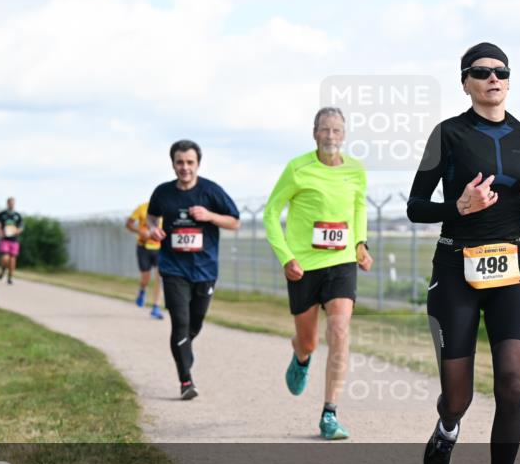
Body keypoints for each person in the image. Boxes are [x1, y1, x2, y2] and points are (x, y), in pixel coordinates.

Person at [407, 43, 520, 464]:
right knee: (460, 396)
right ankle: (448, 426)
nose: (493, 78)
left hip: (509, 270)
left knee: (513, 383)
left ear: (509, 81)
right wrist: (459, 206)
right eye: (481, 72)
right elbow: (415, 206)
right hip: (456, 269)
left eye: (501, 71)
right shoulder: (447, 134)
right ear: (465, 82)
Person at [263, 107, 372, 440]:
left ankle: (329, 413)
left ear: (344, 135)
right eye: (325, 129)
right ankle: (301, 355)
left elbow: (359, 207)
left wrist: (360, 243)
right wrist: (286, 257)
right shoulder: (297, 169)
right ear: (314, 134)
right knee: (309, 341)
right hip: (304, 266)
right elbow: (271, 213)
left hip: (341, 262)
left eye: (337, 130)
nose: (330, 136)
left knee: (339, 329)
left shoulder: (356, 170)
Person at [146, 140, 240, 400]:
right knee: (180, 323)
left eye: (190, 162)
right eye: (180, 162)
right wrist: (153, 229)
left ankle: (183, 350)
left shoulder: (211, 191)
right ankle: (185, 380)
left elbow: (235, 222)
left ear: (198, 164)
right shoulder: (162, 192)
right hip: (173, 268)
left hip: (205, 270)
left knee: (194, 325)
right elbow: (152, 216)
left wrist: (210, 216)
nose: (185, 167)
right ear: (173, 164)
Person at [125, 201, 165, 320]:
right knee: (145, 278)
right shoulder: (142, 208)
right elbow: (129, 224)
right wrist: (140, 231)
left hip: (160, 248)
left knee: (160, 277)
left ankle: (156, 307)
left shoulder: (166, 208)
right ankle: (142, 290)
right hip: (143, 247)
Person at [0, 197, 24, 285]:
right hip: (5, 239)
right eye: (10, 203)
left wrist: (17, 231)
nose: (11, 205)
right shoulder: (1, 214)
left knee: (12, 260)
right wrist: (0, 231)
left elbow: (21, 227)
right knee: (5, 258)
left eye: (13, 203)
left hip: (14, 240)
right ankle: (3, 269)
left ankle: (10, 277)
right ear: (7, 203)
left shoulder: (18, 215)